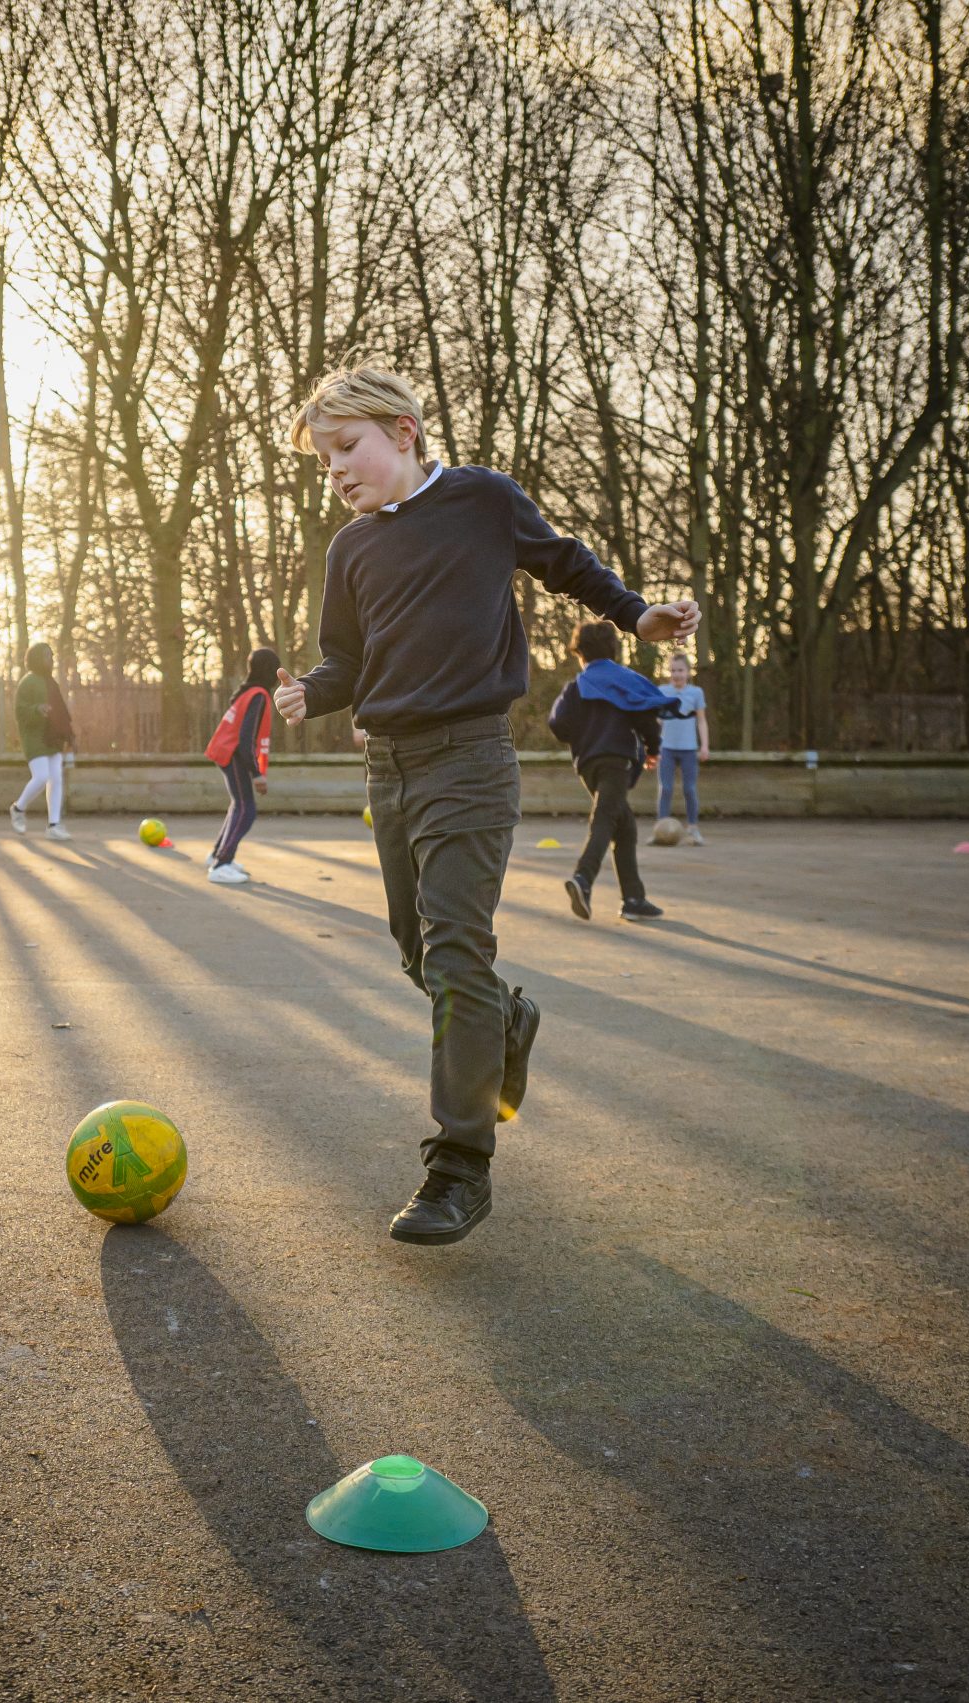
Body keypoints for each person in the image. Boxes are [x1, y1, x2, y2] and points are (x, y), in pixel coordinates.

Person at [274, 365, 698, 1246]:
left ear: (403, 430)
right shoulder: (351, 550)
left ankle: (458, 1166)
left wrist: (634, 612)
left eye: (346, 448)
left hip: (469, 759)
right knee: (417, 955)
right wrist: (308, 695)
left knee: (456, 953)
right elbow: (345, 661)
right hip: (388, 769)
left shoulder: (481, 500)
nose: (336, 471)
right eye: (322, 462)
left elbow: (563, 563)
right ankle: (510, 1017)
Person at [547, 622, 667, 921]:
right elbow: (646, 715)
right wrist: (653, 748)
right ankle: (583, 879)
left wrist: (584, 732)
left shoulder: (576, 686)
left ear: (580, 654)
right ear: (613, 651)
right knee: (605, 819)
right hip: (617, 761)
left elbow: (558, 724)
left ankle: (634, 899)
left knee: (624, 827)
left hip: (588, 765)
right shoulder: (622, 681)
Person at [204, 646, 277, 885]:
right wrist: (257, 774)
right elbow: (246, 739)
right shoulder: (258, 695)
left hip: (228, 752)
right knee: (247, 809)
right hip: (234, 754)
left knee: (238, 805)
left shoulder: (248, 692)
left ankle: (218, 854)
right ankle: (221, 865)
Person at [10, 642, 76, 842]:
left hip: (52, 737)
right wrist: (37, 709)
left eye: (52, 656)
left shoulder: (51, 683)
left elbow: (62, 712)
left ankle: (53, 825)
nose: (51, 660)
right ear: (37, 658)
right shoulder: (27, 682)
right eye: (47, 656)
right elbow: (20, 712)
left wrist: (68, 735)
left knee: (56, 778)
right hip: (35, 738)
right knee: (41, 777)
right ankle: (18, 808)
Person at [652, 651, 710, 846]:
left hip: (688, 749)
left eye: (681, 670)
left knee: (689, 789)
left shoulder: (696, 693)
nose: (677, 674)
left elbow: (701, 721)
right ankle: (659, 830)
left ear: (688, 672)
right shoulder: (662, 691)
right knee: (665, 788)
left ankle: (693, 829)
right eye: (673, 670)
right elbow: (657, 721)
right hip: (666, 748)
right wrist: (652, 745)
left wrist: (705, 746)